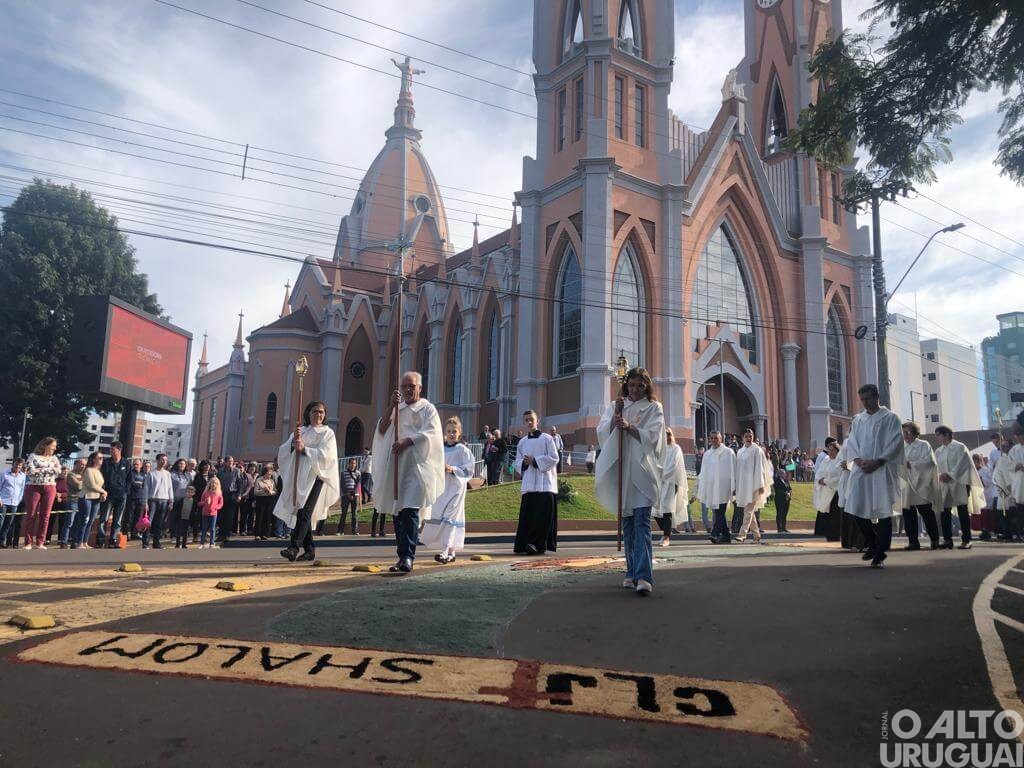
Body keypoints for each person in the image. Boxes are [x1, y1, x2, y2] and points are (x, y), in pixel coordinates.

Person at [595, 368, 664, 595]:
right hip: (622, 471)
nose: (635, 390)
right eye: (631, 385)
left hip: (642, 472)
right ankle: (631, 571)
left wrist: (631, 427)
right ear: (627, 386)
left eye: (640, 386)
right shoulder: (619, 405)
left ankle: (644, 576)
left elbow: (653, 438)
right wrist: (616, 418)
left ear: (646, 387)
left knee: (642, 523)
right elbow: (603, 432)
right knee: (628, 526)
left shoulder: (654, 408)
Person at [372, 372, 445, 573]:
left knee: (410, 510)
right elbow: (382, 429)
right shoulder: (398, 408)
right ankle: (401, 554)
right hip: (396, 466)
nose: (407, 390)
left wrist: (408, 440)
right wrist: (390, 406)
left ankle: (407, 556)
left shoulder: (428, 409)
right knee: (398, 512)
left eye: (411, 386)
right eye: (404, 386)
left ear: (420, 387)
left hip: (417, 466)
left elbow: (432, 433)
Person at [843, 384, 904, 568]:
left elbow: (896, 442)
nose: (866, 403)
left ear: (877, 396)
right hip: (861, 469)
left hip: (881, 469)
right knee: (855, 507)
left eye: (869, 399)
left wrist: (879, 461)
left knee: (883, 511)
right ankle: (872, 541)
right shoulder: (859, 420)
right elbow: (851, 443)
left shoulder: (890, 418)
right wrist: (859, 461)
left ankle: (880, 552)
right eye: (862, 400)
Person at [274, 401, 341, 562]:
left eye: (321, 412)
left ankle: (293, 547)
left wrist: (305, 449)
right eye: (314, 411)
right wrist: (293, 442)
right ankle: (310, 549)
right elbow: (284, 450)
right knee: (301, 512)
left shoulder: (327, 433)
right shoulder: (301, 431)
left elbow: (328, 456)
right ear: (308, 413)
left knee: (305, 511)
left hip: (316, 476)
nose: (318, 415)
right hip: (299, 476)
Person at [422, 416, 475, 564]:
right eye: (449, 431)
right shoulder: (440, 449)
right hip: (442, 489)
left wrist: (452, 469)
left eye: (454, 431)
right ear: (444, 432)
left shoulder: (463, 450)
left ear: (459, 433)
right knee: (446, 518)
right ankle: (451, 552)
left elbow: (469, 469)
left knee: (450, 519)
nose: (451, 434)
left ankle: (444, 551)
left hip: (456, 489)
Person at [934, 426, 984, 550]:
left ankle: (966, 540)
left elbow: (963, 464)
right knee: (945, 511)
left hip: (960, 482)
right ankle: (947, 539)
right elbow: (936, 467)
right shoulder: (939, 451)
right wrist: (940, 475)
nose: (937, 438)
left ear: (946, 435)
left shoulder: (960, 447)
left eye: (938, 434)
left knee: (962, 510)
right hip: (945, 484)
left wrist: (950, 475)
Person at [900, 422, 942, 551]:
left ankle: (934, 539)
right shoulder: (900, 447)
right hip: (906, 484)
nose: (905, 435)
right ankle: (913, 541)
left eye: (908, 432)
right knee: (908, 514)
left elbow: (930, 462)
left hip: (921, 484)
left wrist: (911, 464)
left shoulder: (924, 445)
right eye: (904, 432)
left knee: (926, 513)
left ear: (915, 433)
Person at [22, 437, 62, 550]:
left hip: (50, 487)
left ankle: (40, 542)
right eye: (53, 446)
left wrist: (41, 469)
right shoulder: (33, 456)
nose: (54, 448)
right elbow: (30, 471)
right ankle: (28, 542)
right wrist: (50, 469)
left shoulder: (54, 458)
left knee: (45, 515)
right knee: (31, 515)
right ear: (45, 445)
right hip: (33, 487)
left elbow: (59, 471)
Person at [698, 431, 736, 544]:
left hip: (724, 486)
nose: (714, 440)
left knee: (720, 510)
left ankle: (714, 533)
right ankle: (726, 535)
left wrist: (734, 485)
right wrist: (703, 486)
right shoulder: (707, 454)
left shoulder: (728, 452)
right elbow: (704, 471)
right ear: (710, 439)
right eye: (712, 438)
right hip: (712, 487)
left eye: (716, 438)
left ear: (721, 439)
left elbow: (734, 469)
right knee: (718, 512)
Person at [734, 430, 771, 544]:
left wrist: (760, 484)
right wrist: (736, 485)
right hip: (743, 485)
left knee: (748, 511)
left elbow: (760, 468)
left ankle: (742, 534)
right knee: (749, 511)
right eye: (746, 436)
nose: (749, 438)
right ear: (743, 438)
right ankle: (756, 535)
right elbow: (738, 469)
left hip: (754, 484)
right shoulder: (740, 451)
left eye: (751, 436)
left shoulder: (757, 450)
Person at [96, 442, 132, 548]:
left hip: (121, 496)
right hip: (108, 495)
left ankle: (113, 539)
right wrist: (102, 491)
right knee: (104, 518)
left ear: (119, 450)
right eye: (110, 449)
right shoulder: (106, 463)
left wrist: (126, 492)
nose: (111, 451)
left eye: (113, 449)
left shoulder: (126, 464)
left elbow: (130, 480)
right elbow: (101, 478)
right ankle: (100, 540)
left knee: (117, 520)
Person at [657, 428, 689, 547]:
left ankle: (666, 537)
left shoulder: (676, 449)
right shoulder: (659, 448)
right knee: (655, 510)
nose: (667, 437)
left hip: (671, 483)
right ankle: (666, 529)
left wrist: (662, 474)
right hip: (659, 482)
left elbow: (674, 466)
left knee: (667, 508)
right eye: (664, 435)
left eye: (669, 434)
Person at [73, 453, 106, 548]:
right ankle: (79, 542)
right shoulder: (88, 470)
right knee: (84, 520)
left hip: (96, 498)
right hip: (86, 497)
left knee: (91, 521)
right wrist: (104, 491)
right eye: (99, 458)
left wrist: (102, 493)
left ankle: (85, 542)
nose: (101, 459)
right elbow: (92, 485)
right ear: (93, 459)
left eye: (102, 458)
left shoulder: (98, 471)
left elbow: (100, 485)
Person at [812, 441, 843, 542]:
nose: (830, 452)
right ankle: (828, 534)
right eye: (829, 450)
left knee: (835, 515)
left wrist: (825, 481)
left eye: (832, 450)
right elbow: (819, 473)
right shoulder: (826, 460)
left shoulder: (840, 461)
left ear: (837, 451)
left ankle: (835, 535)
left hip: (835, 492)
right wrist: (820, 480)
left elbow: (838, 477)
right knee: (827, 514)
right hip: (825, 491)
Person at [142, 453, 173, 549]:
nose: (164, 461)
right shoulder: (151, 473)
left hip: (164, 500)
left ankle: (156, 543)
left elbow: (170, 488)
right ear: (157, 460)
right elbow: (146, 489)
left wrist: (171, 501)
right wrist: (145, 502)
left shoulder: (168, 474)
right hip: (153, 500)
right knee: (148, 522)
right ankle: (145, 543)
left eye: (165, 460)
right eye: (162, 459)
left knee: (159, 523)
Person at [58, 459, 86, 549]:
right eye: (81, 464)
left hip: (81, 501)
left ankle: (74, 541)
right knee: (69, 522)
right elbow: (78, 486)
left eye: (84, 465)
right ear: (76, 464)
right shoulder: (70, 475)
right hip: (72, 501)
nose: (83, 466)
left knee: (78, 522)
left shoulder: (83, 475)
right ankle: (64, 541)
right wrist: (85, 483)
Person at [0, 458, 27, 548]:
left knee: (8, 524)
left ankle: (1, 541)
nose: (18, 467)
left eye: (20, 465)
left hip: (15, 503)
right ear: (13, 464)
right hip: (3, 502)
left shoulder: (22, 476)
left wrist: (19, 500)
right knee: (0, 522)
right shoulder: (4, 474)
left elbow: (22, 489)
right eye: (16, 465)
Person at [216, 457, 242, 544]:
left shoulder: (236, 471)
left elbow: (240, 484)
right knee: (221, 516)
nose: (231, 463)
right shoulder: (220, 471)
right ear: (225, 462)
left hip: (232, 495)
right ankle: (220, 535)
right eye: (229, 461)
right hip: (222, 495)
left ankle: (227, 535)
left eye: (232, 461)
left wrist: (239, 495)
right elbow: (217, 483)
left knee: (229, 517)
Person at [253, 465, 277, 540]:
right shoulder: (259, 480)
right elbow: (256, 492)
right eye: (269, 474)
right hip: (261, 500)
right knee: (259, 517)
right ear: (265, 473)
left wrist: (271, 492)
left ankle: (265, 534)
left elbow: (275, 491)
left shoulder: (272, 481)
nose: (270, 475)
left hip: (269, 500)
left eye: (271, 474)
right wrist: (264, 490)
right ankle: (257, 534)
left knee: (267, 517)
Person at [338, 458, 362, 535]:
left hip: (354, 495)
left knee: (354, 513)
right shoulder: (343, 473)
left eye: (354, 463)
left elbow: (357, 484)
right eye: (351, 463)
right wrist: (348, 493)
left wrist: (352, 493)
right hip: (345, 495)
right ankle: (340, 531)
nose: (353, 465)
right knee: (344, 513)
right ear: (348, 464)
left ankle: (354, 530)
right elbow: (342, 484)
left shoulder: (358, 473)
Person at [199, 476, 223, 548]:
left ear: (217, 484)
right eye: (212, 483)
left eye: (215, 483)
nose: (213, 484)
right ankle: (202, 543)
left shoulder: (218, 493)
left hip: (213, 513)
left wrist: (216, 507)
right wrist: (204, 502)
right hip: (205, 513)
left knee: (212, 529)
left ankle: (212, 543)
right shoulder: (206, 492)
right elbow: (200, 503)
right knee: (204, 529)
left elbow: (221, 503)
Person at [190, 460, 210, 543]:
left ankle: (204, 535)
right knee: (197, 519)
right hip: (199, 500)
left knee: (205, 519)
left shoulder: (212, 476)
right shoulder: (198, 476)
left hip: (208, 501)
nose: (207, 467)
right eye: (205, 465)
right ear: (202, 466)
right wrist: (197, 500)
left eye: (208, 465)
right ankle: (195, 535)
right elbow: (195, 488)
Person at [773, 466, 792, 533]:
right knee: (779, 513)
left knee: (784, 514)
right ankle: (779, 528)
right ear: (780, 474)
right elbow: (778, 490)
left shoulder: (786, 481)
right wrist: (785, 493)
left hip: (786, 500)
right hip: (780, 499)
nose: (785, 474)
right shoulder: (777, 481)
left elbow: (789, 488)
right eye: (783, 473)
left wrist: (789, 493)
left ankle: (784, 528)